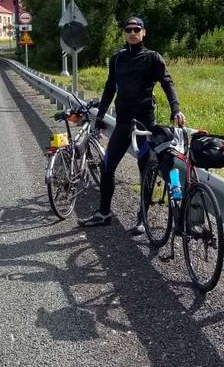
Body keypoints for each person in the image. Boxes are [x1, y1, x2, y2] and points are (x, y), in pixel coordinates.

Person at [79, 16, 185, 232]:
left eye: (137, 29)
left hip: (145, 125)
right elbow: (110, 87)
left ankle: (142, 217)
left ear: (143, 32)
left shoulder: (153, 58)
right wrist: (100, 116)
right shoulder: (117, 58)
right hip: (123, 123)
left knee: (144, 171)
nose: (133, 32)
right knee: (107, 167)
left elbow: (167, 82)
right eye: (128, 29)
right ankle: (103, 213)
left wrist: (176, 109)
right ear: (124, 33)